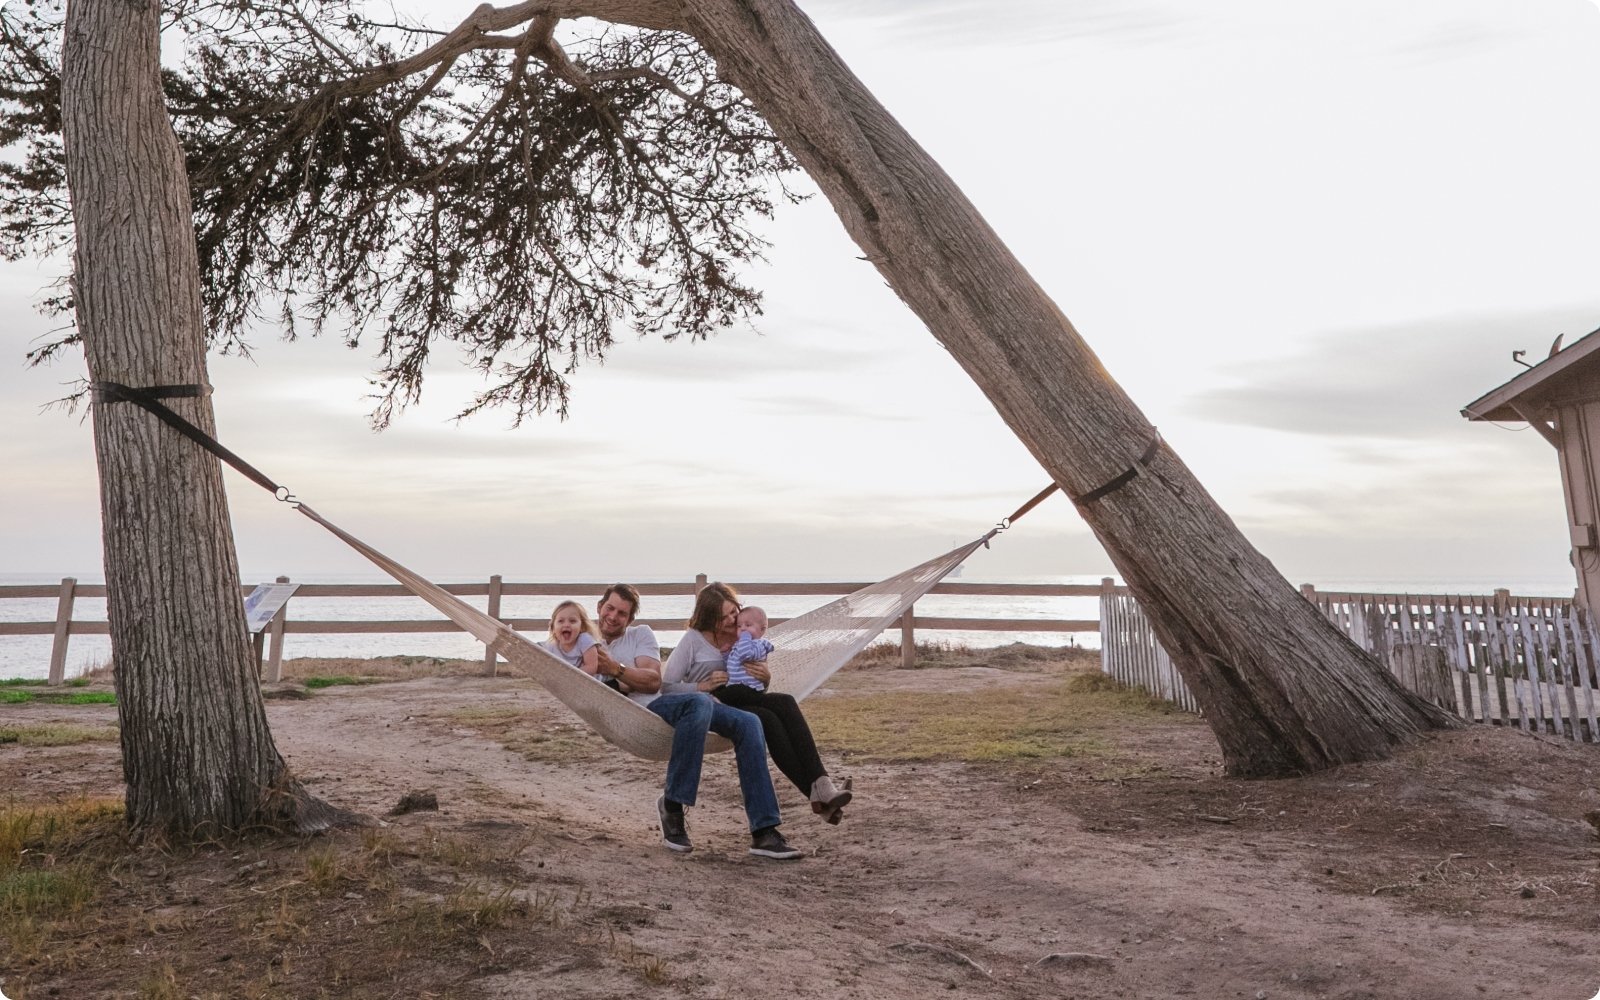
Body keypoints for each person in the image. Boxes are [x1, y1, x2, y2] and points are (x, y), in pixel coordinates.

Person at [589, 584, 802, 860]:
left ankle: (764, 832)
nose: (614, 616)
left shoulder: (641, 635)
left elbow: (654, 681)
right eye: (610, 609)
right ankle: (673, 806)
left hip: (656, 705)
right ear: (599, 607)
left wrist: (616, 670)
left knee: (749, 723)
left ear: (630, 619)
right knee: (701, 702)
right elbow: (565, 664)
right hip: (634, 714)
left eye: (622, 613)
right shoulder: (586, 645)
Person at [667, 583, 853, 825]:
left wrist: (765, 679)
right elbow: (667, 686)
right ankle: (819, 792)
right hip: (708, 706)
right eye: (724, 617)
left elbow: (748, 680)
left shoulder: (743, 632)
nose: (733, 620)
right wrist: (700, 687)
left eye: (734, 611)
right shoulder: (693, 641)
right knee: (769, 715)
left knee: (778, 711)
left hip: (739, 698)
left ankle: (821, 788)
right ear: (709, 617)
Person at [539, 600, 601, 674]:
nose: (566, 625)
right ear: (553, 628)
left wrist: (569, 676)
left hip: (589, 682)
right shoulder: (551, 646)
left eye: (572, 621)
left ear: (582, 626)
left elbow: (592, 667)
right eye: (561, 621)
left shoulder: (584, 640)